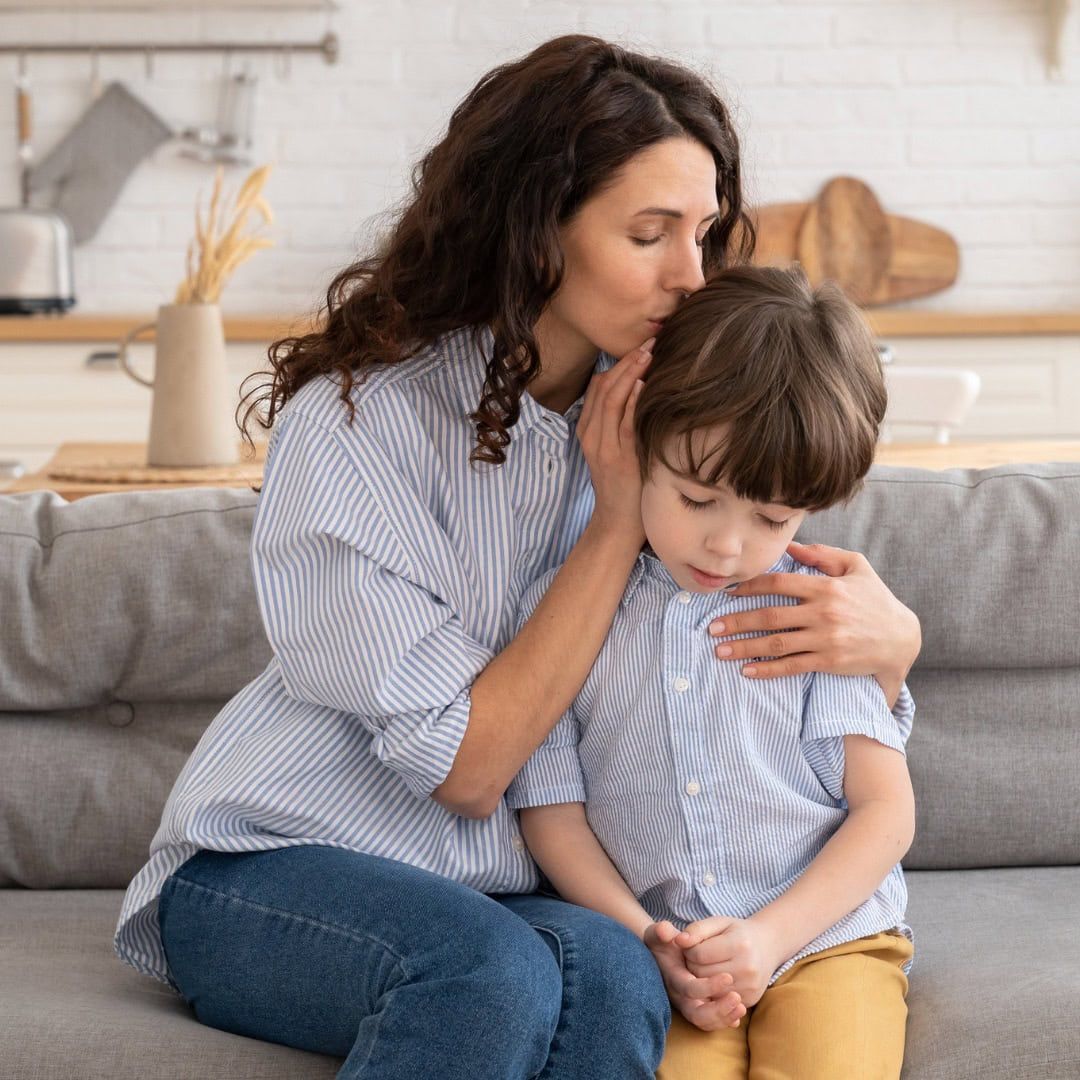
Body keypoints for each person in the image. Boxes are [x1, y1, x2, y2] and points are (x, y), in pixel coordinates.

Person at [113, 34, 920, 1080]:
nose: (690, 274)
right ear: (539, 232)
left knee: (618, 978)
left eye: (705, 232)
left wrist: (895, 642)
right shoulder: (359, 424)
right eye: (649, 233)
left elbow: (782, 545)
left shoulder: (675, 426)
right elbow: (471, 766)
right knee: (489, 974)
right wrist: (615, 518)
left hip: (499, 890)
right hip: (272, 864)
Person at [508, 264, 916, 1080]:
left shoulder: (821, 613)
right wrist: (645, 940)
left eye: (771, 517)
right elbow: (552, 813)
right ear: (636, 445)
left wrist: (768, 938)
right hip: (671, 959)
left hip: (826, 942)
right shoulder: (570, 611)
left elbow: (884, 811)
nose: (728, 547)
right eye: (696, 500)